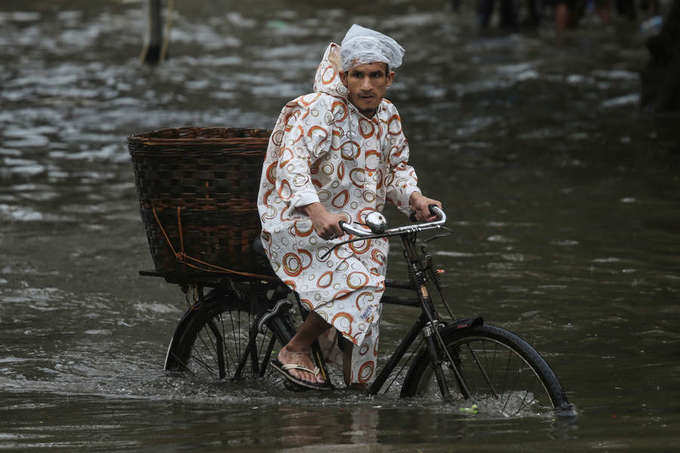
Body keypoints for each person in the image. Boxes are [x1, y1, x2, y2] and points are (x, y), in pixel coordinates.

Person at [257, 24, 442, 390]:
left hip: (361, 228)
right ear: (345, 76)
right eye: (358, 75)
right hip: (302, 221)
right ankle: (296, 348)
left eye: (376, 76)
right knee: (361, 286)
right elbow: (291, 164)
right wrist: (316, 211)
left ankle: (357, 410)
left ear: (390, 78)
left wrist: (416, 200)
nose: (367, 85)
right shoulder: (321, 109)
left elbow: (397, 171)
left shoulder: (388, 115)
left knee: (367, 320)